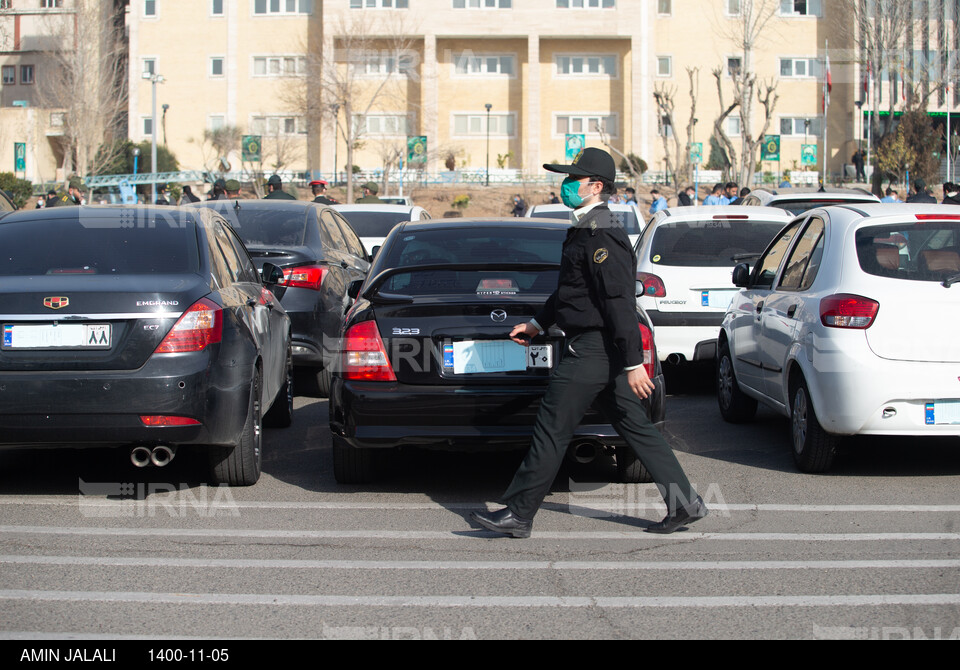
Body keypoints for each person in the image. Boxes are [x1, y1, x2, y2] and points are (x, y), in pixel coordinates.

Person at [470, 147, 707, 539]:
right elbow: (573, 292)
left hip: (593, 349)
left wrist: (633, 364)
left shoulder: (602, 233)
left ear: (596, 186)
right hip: (598, 348)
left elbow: (617, 303)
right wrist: (535, 324)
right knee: (635, 425)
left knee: (552, 425)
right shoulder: (585, 227)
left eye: (572, 179)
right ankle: (685, 503)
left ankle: (518, 513)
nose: (564, 185)